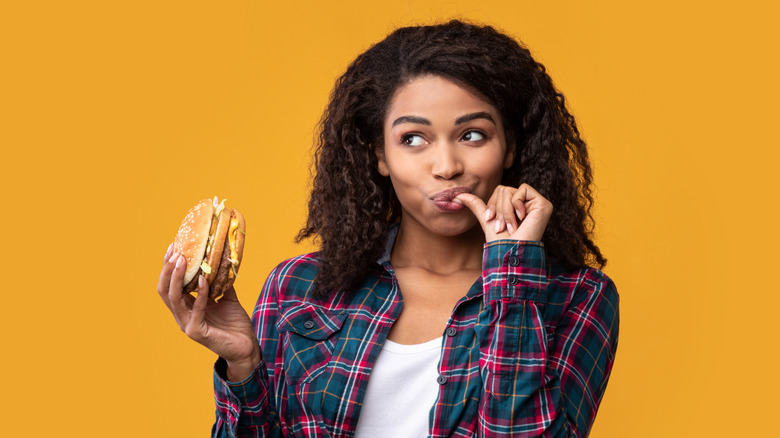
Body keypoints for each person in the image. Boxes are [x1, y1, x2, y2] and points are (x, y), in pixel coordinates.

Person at [158, 20, 619, 437]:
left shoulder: (577, 298)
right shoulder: (298, 287)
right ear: (379, 155)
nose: (446, 166)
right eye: (413, 139)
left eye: (472, 134)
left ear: (511, 147)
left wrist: (511, 274)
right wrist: (243, 365)